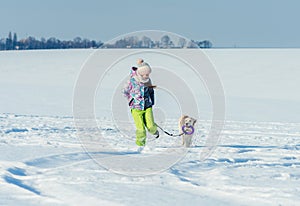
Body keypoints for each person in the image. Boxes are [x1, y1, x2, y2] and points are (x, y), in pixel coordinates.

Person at [123, 59, 159, 147]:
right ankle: (140, 144)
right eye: (145, 74)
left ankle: (155, 131)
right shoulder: (132, 81)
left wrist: (152, 101)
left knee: (150, 126)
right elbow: (125, 91)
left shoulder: (148, 81)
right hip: (136, 108)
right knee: (141, 129)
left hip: (147, 106)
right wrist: (131, 100)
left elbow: (151, 91)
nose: (147, 76)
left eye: (148, 74)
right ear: (140, 73)